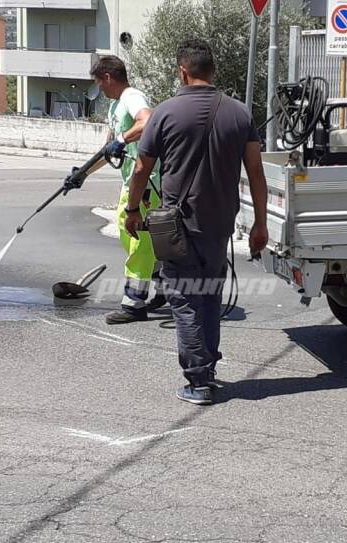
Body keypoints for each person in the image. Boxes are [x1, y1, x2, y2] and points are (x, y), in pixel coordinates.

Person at [124, 39, 270, 406]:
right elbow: (256, 173)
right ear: (213, 70)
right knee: (208, 295)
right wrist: (261, 224)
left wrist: (132, 210)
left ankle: (199, 380)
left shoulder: (166, 113)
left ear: (183, 71)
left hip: (177, 225)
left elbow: (142, 167)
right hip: (221, 223)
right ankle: (208, 369)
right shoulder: (239, 113)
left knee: (185, 300)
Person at [87, 55, 166, 325]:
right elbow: (108, 150)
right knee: (130, 236)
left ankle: (134, 304)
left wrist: (122, 138)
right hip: (130, 181)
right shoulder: (115, 107)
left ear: (107, 77)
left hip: (147, 182)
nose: (99, 88)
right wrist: (82, 174)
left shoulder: (132, 96)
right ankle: (164, 284)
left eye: (98, 82)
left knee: (138, 242)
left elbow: (147, 121)